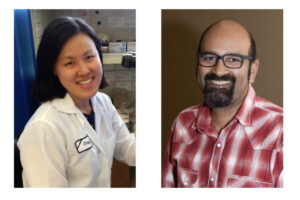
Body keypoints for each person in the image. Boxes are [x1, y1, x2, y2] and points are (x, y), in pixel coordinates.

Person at [162, 19, 283, 188]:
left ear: (252, 70)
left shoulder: (281, 131)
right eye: (209, 58)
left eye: (234, 60)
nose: (218, 71)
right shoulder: (182, 123)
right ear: (197, 66)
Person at [17, 16, 136, 187]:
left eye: (89, 57)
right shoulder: (43, 129)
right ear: (53, 69)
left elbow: (128, 149)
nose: (84, 70)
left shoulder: (102, 102)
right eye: (70, 63)